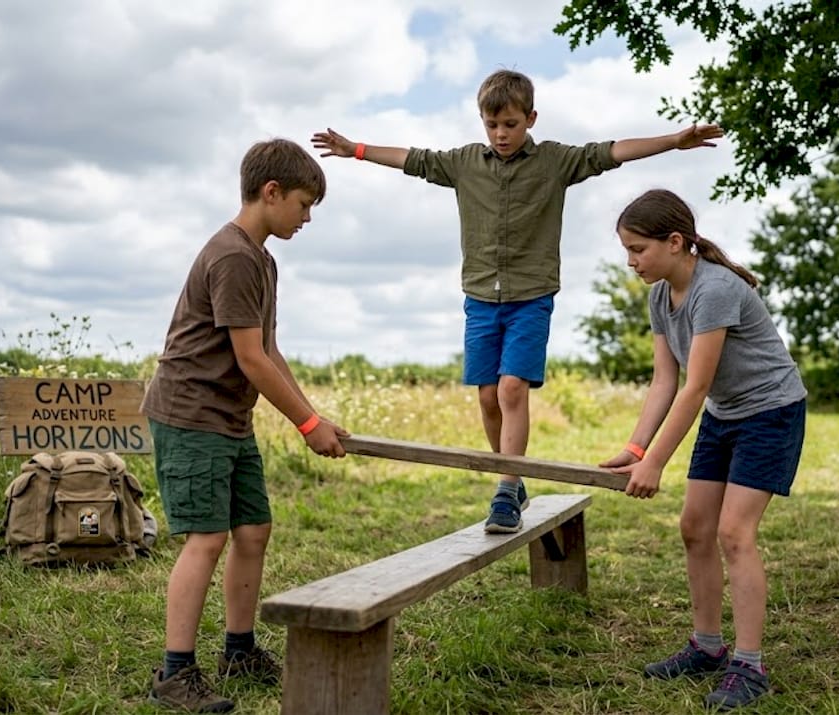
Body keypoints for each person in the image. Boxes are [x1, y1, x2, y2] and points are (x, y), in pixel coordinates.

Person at [312, 69, 723, 534]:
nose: (501, 134)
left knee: (511, 389)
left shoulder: (554, 162)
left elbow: (611, 153)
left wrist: (672, 140)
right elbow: (414, 159)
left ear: (530, 118)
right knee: (488, 397)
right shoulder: (465, 163)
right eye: (492, 125)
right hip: (481, 298)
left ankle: (506, 486)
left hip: (531, 298)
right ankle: (512, 477)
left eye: (510, 124)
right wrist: (357, 150)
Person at [141, 138, 349, 713]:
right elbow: (248, 360)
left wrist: (315, 416)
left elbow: (270, 350)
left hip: (230, 419)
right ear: (271, 192)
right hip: (191, 415)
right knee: (206, 539)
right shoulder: (232, 256)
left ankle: (239, 649)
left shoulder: (263, 259)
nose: (307, 218)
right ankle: (174, 674)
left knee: (252, 531)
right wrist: (307, 427)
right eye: (304, 205)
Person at [601, 189, 806, 711]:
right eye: (626, 250)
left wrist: (656, 462)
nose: (631, 262)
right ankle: (708, 648)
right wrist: (635, 447)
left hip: (770, 412)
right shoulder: (658, 297)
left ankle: (750, 665)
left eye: (638, 249)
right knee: (694, 527)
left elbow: (696, 385)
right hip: (724, 415)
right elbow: (664, 381)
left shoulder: (714, 289)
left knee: (734, 534)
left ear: (675, 242)